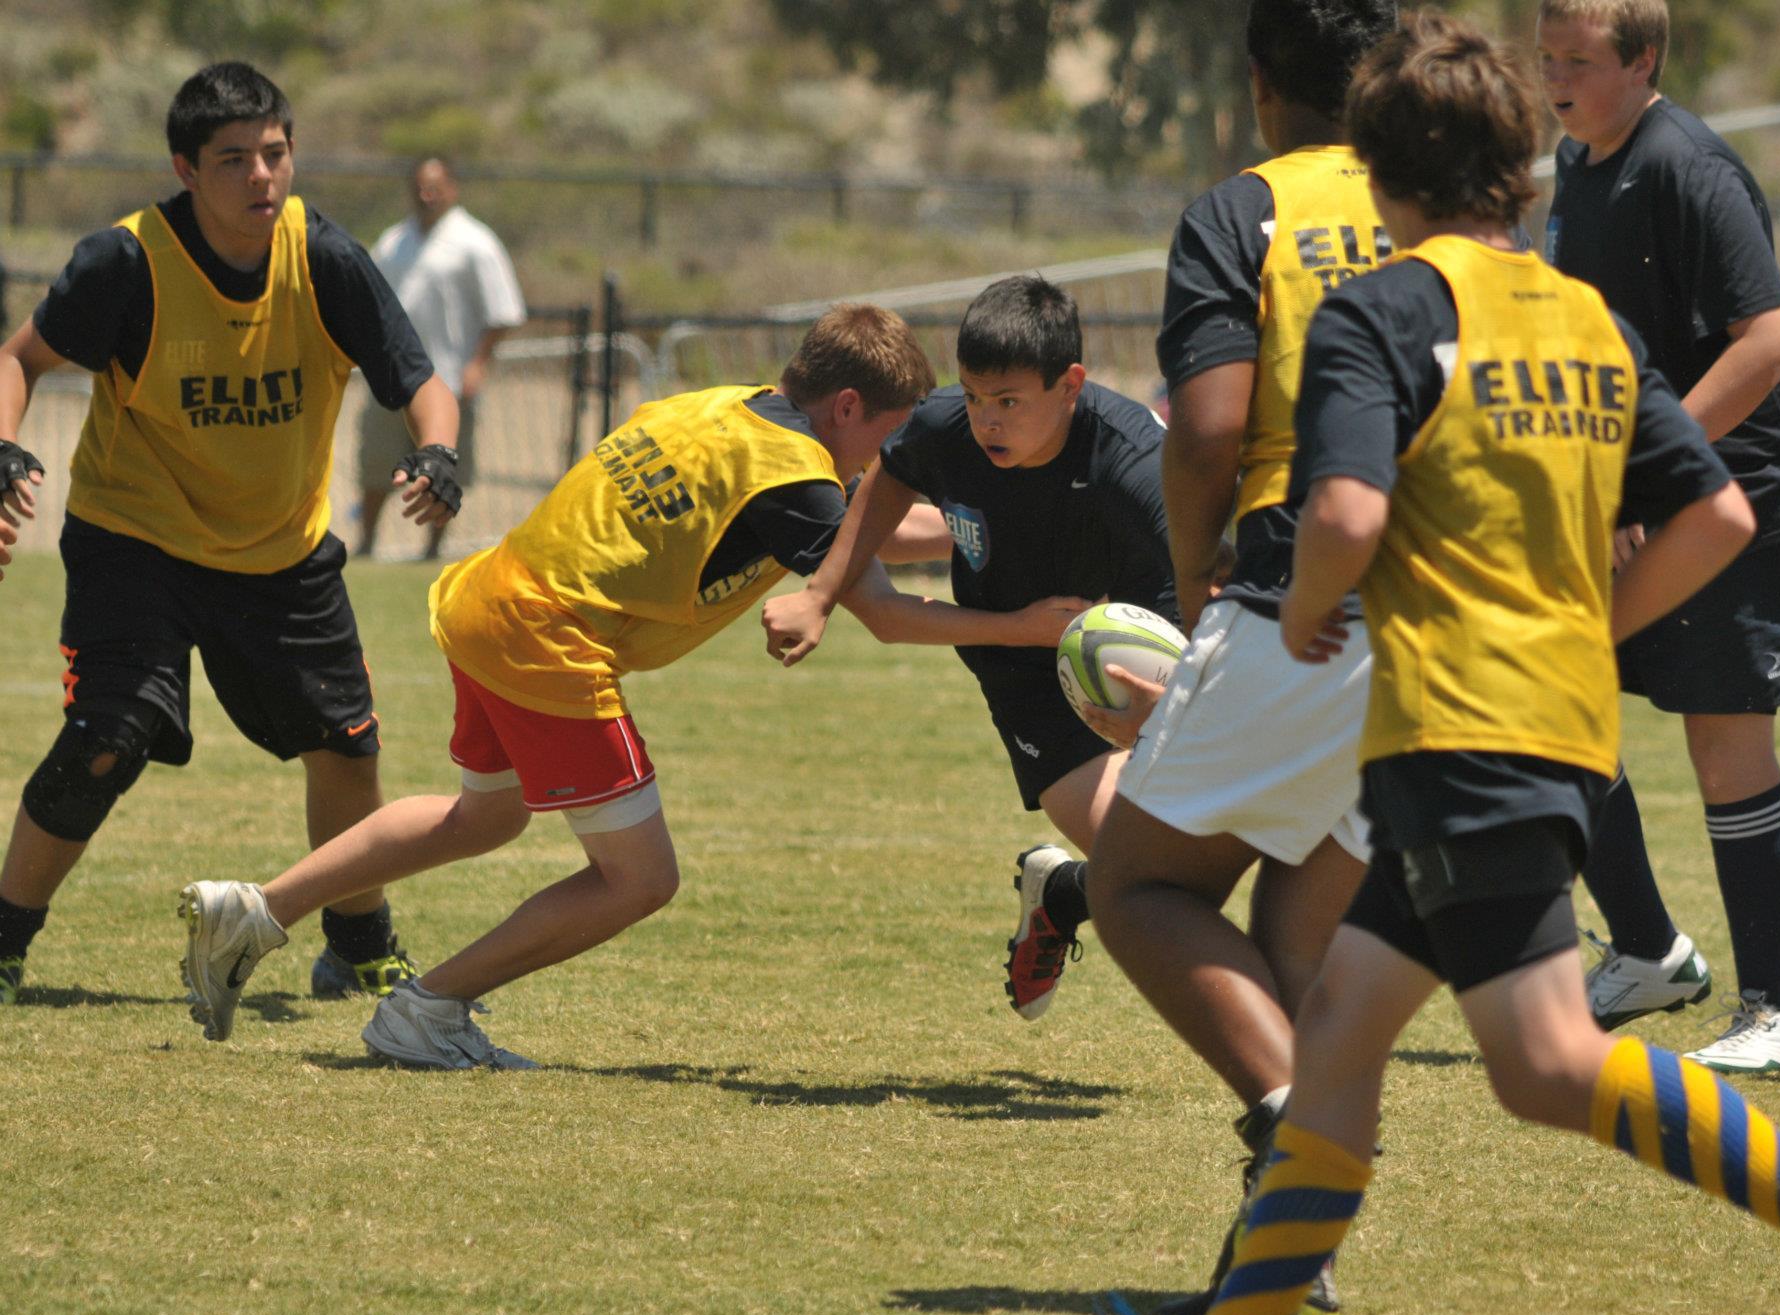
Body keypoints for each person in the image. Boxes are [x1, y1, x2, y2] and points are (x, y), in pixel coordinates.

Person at [1031, 16, 1780, 1315]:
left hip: (1462, 732)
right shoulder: (1578, 317)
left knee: (1545, 1067)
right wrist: (1585, 628)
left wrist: (1296, 611)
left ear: (1389, 179)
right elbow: (1716, 520)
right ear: (1520, 172)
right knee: (1340, 1050)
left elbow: (1341, 515)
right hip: (1518, 724)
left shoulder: (1384, 308)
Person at [176, 303, 1020, 1065]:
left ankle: (254, 910)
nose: (888, 460)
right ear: (846, 410)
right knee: (639, 879)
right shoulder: (792, 475)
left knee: (485, 815)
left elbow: (864, 527)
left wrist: (981, 531)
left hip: (491, 596)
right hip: (548, 635)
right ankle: (426, 1011)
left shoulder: (727, 406)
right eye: (889, 436)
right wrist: (1037, 622)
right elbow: (881, 606)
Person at [0, 62, 462, 1010]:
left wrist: (440, 451)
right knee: (109, 737)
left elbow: (420, 380)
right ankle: (4, 941)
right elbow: (21, 358)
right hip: (137, 536)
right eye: (235, 160)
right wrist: (1, 445)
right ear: (185, 168)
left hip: (278, 550)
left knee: (347, 747)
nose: (262, 177)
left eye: (276, 153)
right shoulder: (124, 262)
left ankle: (360, 945)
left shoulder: (324, 257)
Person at [1075, 0, 1395, 1315]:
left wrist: (1197, 570)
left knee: (1137, 882)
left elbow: (1207, 432)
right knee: (1295, 929)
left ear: (1263, 86)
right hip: (1452, 624)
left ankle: (1296, 1148)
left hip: (1299, 584)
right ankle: (1293, 1241)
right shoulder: (1454, 214)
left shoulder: (1244, 213)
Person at [762, 275, 1176, 1022]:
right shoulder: (947, 426)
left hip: (1145, 655)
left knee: (1190, 859)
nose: (986, 420)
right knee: (1156, 872)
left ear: (1070, 385)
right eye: (975, 395)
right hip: (1024, 673)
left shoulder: (1133, 461)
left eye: (1009, 401)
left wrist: (1171, 699)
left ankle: (1061, 891)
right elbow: (891, 474)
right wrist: (822, 593)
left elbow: (1212, 575)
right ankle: (1066, 893)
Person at [1539, 0, 1780, 1073]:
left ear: (1644, 59)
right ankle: (1651, 952)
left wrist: (1645, 469)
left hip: (1730, 502)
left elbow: (1772, 340)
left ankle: (1775, 1014)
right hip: (1631, 501)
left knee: (1722, 742)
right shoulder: (1574, 164)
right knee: (1557, 703)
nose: (1555, 78)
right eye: (1546, 58)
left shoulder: (1686, 168)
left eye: (1578, 60)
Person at [356, 155, 526, 561]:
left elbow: (503, 313)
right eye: (419, 187)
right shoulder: (394, 240)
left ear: (453, 188)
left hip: (446, 381)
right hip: (391, 380)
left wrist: (477, 364)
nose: (426, 195)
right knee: (375, 464)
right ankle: (365, 544)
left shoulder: (476, 244)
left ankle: (432, 549)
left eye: (435, 187)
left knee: (441, 468)